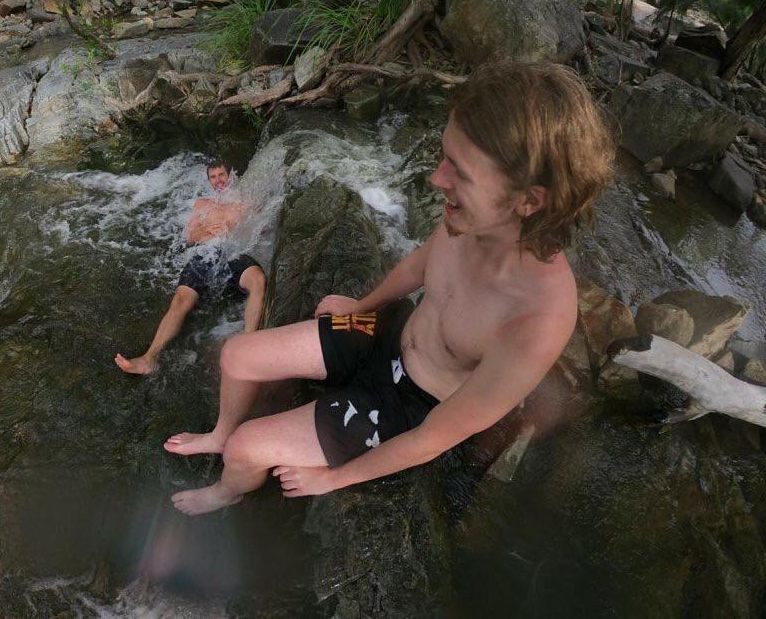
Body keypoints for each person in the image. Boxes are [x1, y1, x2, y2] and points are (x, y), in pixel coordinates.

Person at [163, 61, 614, 515]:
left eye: (459, 172)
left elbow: (434, 437)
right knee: (236, 356)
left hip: (406, 404)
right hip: (387, 331)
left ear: (529, 200)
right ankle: (219, 432)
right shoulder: (470, 220)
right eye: (444, 157)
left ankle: (229, 489)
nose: (438, 179)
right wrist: (362, 306)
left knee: (246, 448)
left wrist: (335, 478)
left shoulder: (537, 321)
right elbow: (420, 266)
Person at [115, 161, 268, 375]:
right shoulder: (202, 204)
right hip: (203, 254)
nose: (218, 180)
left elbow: (263, 228)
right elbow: (188, 237)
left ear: (230, 175)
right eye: (213, 177)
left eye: (221, 175)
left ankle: (249, 342)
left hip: (232, 252)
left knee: (258, 279)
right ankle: (148, 359)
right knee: (181, 300)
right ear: (209, 181)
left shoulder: (244, 203)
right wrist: (207, 230)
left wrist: (240, 226)